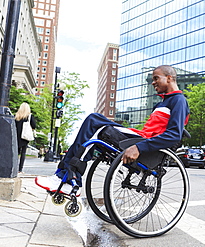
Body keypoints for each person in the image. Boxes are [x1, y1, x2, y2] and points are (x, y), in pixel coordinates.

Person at [35, 65, 190, 195]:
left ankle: (68, 177)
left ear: (169, 78)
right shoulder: (161, 104)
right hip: (141, 137)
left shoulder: (178, 100)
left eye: (156, 78)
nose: (153, 82)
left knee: (95, 122)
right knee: (94, 120)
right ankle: (65, 175)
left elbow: (174, 135)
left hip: (145, 144)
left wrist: (138, 147)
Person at [15, 102, 36, 174]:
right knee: (23, 153)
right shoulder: (29, 116)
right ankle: (20, 169)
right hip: (24, 136)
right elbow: (34, 126)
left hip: (16, 136)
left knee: (16, 152)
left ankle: (14, 167)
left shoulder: (16, 116)